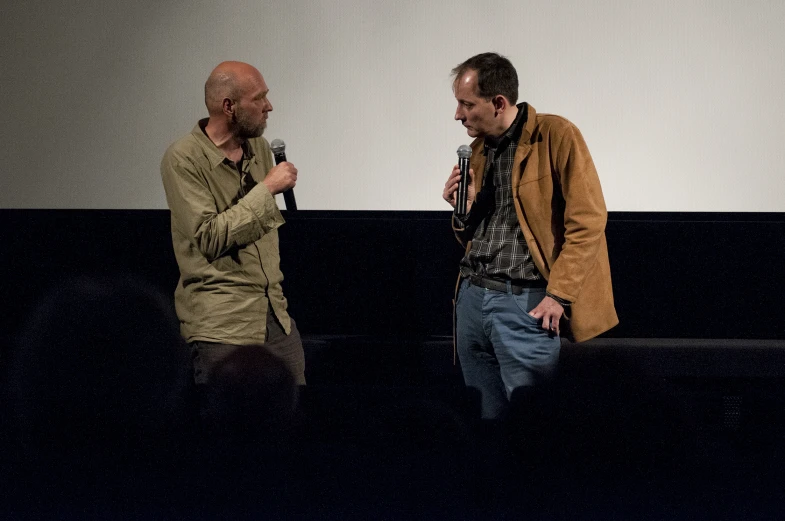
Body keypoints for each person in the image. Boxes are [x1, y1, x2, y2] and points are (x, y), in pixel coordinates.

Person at [442, 52, 618, 420]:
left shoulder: (555, 135)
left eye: (466, 104)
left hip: (524, 305)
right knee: (484, 422)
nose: (458, 115)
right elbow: (473, 235)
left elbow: (588, 220)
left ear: (499, 103)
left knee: (536, 425)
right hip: (472, 298)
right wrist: (463, 209)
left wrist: (559, 295)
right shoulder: (476, 150)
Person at [161, 61, 305, 387]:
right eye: (259, 98)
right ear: (230, 107)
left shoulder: (259, 150)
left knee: (296, 427)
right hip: (222, 327)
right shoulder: (183, 158)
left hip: (276, 318)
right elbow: (210, 237)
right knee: (229, 430)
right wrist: (267, 189)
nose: (269, 107)